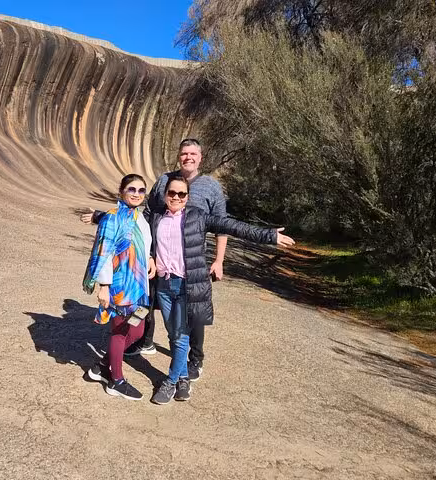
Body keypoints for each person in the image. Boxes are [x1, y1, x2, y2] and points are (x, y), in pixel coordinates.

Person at [81, 138, 226, 381]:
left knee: (194, 313)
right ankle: (143, 341)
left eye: (193, 154)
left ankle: (196, 359)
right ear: (178, 156)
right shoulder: (163, 181)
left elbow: (222, 226)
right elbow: (141, 213)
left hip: (191, 263)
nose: (188, 157)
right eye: (184, 153)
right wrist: (101, 216)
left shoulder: (211, 187)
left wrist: (218, 260)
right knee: (150, 303)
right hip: (158, 261)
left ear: (201, 157)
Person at [149, 175, 295, 404]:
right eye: (172, 193)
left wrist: (269, 235)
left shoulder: (198, 218)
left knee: (179, 336)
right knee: (173, 334)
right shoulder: (157, 218)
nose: (176, 197)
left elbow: (232, 226)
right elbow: (132, 222)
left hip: (188, 286)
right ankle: (184, 378)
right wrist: (99, 217)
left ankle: (170, 381)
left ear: (188, 198)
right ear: (165, 194)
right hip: (164, 286)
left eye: (181, 194)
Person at [82, 174, 156, 401]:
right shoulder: (113, 218)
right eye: (131, 189)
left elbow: (143, 244)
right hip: (118, 285)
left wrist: (150, 258)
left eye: (141, 190)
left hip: (137, 284)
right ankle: (116, 380)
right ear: (122, 191)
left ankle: (103, 366)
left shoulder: (139, 218)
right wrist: (103, 287)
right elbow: (104, 251)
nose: (136, 194)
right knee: (120, 330)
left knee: (137, 330)